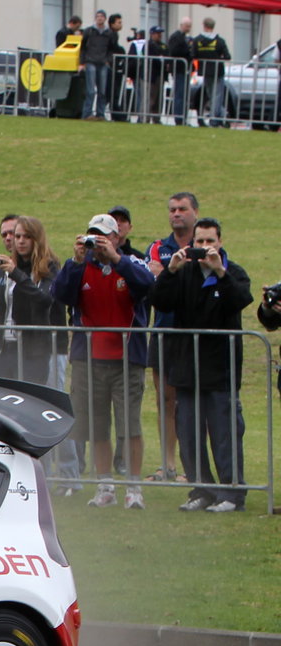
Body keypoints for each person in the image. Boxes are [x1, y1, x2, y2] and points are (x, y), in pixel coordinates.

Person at [149, 218, 251, 513]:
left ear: (220, 242)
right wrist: (169, 271)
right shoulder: (184, 273)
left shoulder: (233, 272)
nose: (205, 247)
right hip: (187, 367)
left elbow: (241, 300)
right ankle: (201, 490)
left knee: (224, 433)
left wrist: (220, 272)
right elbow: (159, 301)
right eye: (200, 242)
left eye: (210, 241)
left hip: (221, 369)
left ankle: (232, 494)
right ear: (191, 244)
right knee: (190, 434)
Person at [54, 213, 154, 509]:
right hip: (89, 360)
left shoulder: (131, 263)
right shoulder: (80, 267)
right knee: (97, 426)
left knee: (130, 426)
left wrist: (116, 259)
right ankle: (105, 484)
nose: (96, 241)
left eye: (103, 236)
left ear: (116, 238)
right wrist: (74, 262)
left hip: (127, 359)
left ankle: (134, 487)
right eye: (92, 235)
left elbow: (148, 285)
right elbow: (60, 295)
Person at [145, 192, 201, 481]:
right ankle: (167, 465)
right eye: (172, 209)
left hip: (194, 334)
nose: (176, 214)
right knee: (165, 400)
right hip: (164, 331)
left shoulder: (203, 245)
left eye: (182, 209)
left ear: (195, 212)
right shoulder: (157, 247)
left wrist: (167, 273)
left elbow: (201, 279)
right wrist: (173, 273)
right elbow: (151, 281)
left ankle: (191, 465)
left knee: (189, 401)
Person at [0, 215, 60, 383]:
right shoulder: (5, 267)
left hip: (33, 350)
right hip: (4, 348)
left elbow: (45, 299)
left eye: (27, 237)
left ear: (37, 239)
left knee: (27, 401)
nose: (20, 241)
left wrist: (16, 274)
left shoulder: (49, 266)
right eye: (18, 236)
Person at [192, 18, 230, 128]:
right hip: (218, 71)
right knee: (217, 96)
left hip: (204, 71)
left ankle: (222, 116)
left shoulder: (197, 40)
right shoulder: (219, 41)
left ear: (204, 25)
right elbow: (227, 56)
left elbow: (193, 55)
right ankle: (216, 119)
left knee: (211, 95)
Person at [79, 10, 113, 121]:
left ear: (105, 18)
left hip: (103, 63)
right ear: (95, 18)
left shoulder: (109, 33)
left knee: (102, 91)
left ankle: (100, 114)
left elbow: (111, 48)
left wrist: (108, 60)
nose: (100, 18)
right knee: (91, 90)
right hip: (90, 62)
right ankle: (87, 113)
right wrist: (82, 62)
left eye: (102, 16)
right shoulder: (89, 31)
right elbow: (82, 47)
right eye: (98, 16)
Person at [167, 17, 194, 126]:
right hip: (179, 69)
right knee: (180, 94)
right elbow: (173, 51)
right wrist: (188, 52)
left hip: (184, 69)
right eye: (187, 26)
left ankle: (182, 117)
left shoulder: (183, 37)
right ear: (182, 25)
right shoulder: (176, 37)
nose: (189, 28)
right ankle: (179, 118)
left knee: (184, 94)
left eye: (190, 26)